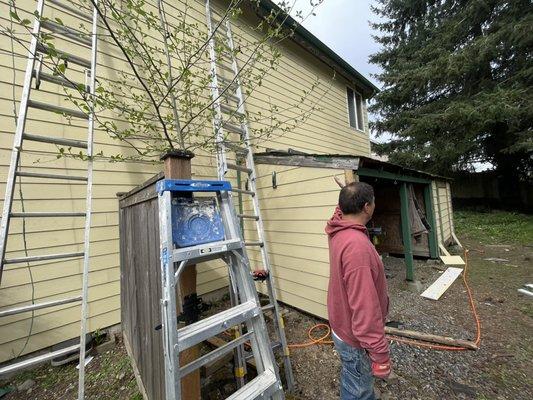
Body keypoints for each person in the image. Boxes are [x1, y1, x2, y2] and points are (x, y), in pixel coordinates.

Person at [325, 179, 391, 400]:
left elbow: (340, 212)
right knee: (358, 391)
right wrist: (380, 354)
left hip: (341, 324)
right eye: (372, 202)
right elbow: (365, 307)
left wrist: (347, 195)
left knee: (353, 381)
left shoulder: (337, 229)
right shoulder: (357, 247)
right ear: (366, 207)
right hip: (354, 336)